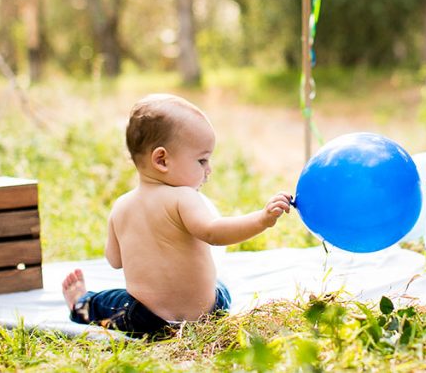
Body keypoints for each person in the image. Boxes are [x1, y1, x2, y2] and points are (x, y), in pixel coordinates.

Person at [62, 94, 293, 338]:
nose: (209, 170)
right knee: (221, 286)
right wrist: (261, 219)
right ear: (162, 160)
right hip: (206, 314)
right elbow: (214, 232)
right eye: (202, 160)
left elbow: (114, 260)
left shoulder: (120, 206)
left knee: (106, 302)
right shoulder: (184, 197)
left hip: (144, 318)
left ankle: (81, 304)